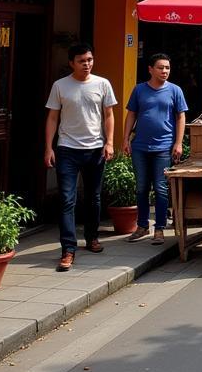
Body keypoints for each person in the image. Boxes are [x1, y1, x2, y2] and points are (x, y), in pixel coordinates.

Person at [44, 44, 117, 271]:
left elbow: (108, 115)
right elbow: (53, 118)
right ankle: (68, 249)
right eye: (82, 61)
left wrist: (109, 142)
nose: (87, 64)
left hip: (95, 149)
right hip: (67, 149)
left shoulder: (102, 84)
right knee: (68, 199)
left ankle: (92, 237)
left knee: (94, 197)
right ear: (72, 63)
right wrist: (49, 148)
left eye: (90, 60)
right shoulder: (60, 86)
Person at [123, 52, 187, 244]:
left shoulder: (175, 90)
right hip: (140, 146)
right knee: (141, 188)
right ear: (150, 69)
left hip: (163, 147)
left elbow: (180, 117)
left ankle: (159, 228)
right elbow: (131, 114)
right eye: (160, 67)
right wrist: (125, 139)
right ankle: (142, 226)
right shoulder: (139, 90)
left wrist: (178, 143)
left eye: (167, 68)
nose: (165, 71)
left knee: (160, 188)